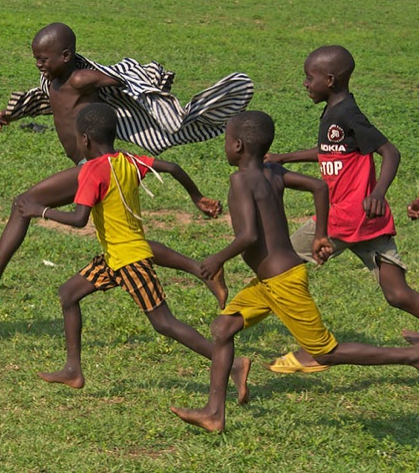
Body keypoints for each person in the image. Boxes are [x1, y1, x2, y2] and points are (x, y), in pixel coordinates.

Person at [0, 22, 253, 304]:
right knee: (128, 244)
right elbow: (55, 105)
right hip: (95, 164)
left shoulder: (81, 78)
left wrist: (147, 81)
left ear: (67, 56)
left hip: (91, 165)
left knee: (23, 203)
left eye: (44, 58)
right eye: (36, 58)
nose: (39, 64)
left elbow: (122, 80)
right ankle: (203, 269)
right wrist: (14, 114)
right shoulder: (52, 79)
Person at [169, 110, 419, 433]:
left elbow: (249, 236)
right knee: (223, 328)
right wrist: (320, 234)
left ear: (239, 146)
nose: (226, 147)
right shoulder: (273, 171)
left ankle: (410, 357)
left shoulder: (240, 180)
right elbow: (319, 186)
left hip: (282, 282)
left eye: (227, 141)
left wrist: (218, 258)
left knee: (327, 353)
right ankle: (214, 412)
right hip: (269, 282)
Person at [18, 103, 251, 395]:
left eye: (77, 139)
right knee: (68, 294)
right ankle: (72, 370)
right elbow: (173, 167)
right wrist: (197, 197)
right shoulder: (128, 160)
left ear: (85, 140)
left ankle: (234, 365)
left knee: (165, 323)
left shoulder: (92, 171)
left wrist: (40, 211)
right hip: (114, 258)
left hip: (129, 260)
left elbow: (79, 219)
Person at [265, 45, 419, 372]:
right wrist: (284, 158)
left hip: (347, 217)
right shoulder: (335, 113)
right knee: (397, 294)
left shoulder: (348, 113)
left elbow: (390, 152)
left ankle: (310, 348)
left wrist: (378, 191)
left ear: (330, 80)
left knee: (279, 264)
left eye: (310, 77)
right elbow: (329, 151)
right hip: (366, 222)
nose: (305, 84)